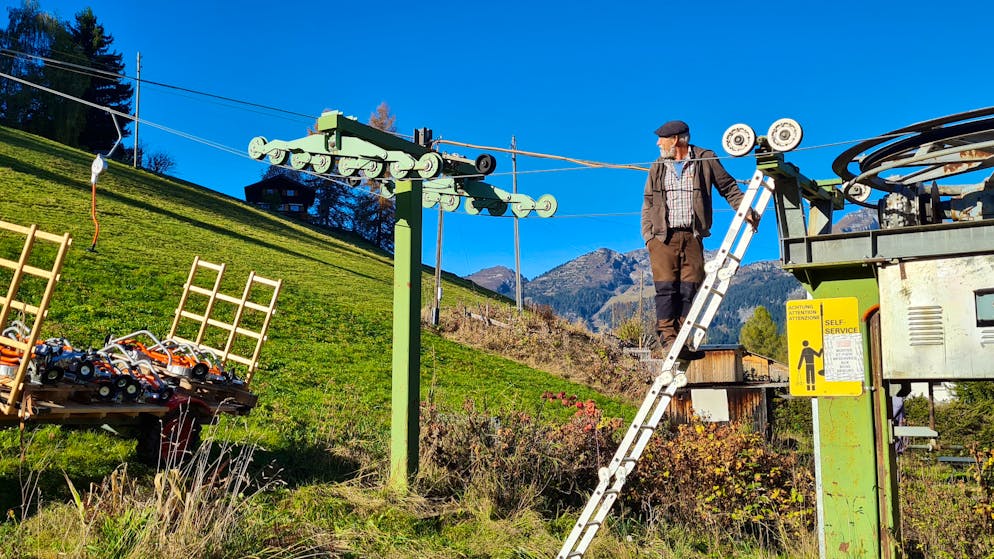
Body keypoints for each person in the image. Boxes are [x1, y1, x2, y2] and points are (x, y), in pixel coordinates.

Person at [641, 120, 759, 360]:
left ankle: (682, 339)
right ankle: (667, 338)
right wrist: (648, 236)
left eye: (661, 138)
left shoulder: (705, 158)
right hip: (663, 237)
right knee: (666, 289)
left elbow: (727, 186)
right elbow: (648, 201)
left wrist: (744, 208)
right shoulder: (658, 166)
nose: (658, 143)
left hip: (693, 236)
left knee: (691, 287)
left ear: (675, 140)